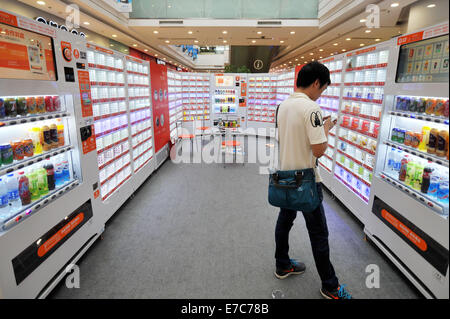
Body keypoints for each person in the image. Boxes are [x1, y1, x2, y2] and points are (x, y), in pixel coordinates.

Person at [274, 61, 352, 299]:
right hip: (307, 182)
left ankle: (282, 264)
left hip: (285, 177)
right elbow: (318, 150)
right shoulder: (312, 109)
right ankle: (330, 286)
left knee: (284, 222)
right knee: (319, 233)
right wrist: (326, 128)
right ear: (317, 82)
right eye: (323, 88)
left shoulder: (283, 105)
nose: (322, 94)